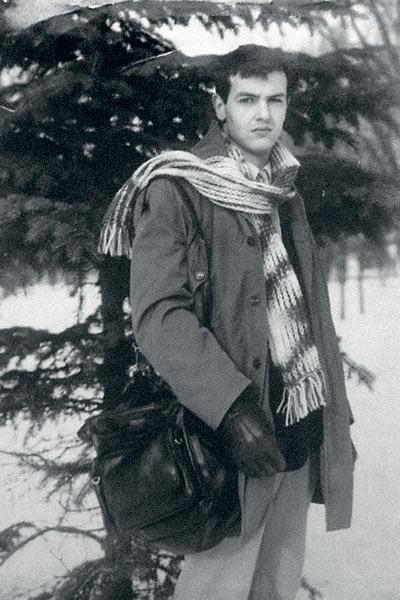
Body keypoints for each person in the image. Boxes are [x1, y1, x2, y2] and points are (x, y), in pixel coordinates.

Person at [99, 44, 355, 600]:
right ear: (219, 106)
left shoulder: (282, 188)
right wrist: (233, 409)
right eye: (247, 99)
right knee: (217, 588)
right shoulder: (178, 186)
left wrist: (335, 421)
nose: (264, 114)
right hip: (229, 436)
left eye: (275, 100)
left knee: (274, 587)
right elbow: (159, 316)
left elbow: (309, 312)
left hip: (296, 421)